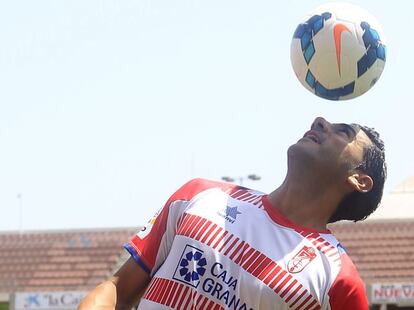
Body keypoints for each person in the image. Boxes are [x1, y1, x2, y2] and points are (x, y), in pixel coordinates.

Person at [79, 116, 386, 310]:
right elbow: (117, 291)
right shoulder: (200, 194)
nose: (320, 121)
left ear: (359, 180)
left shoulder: (338, 280)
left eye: (343, 132)